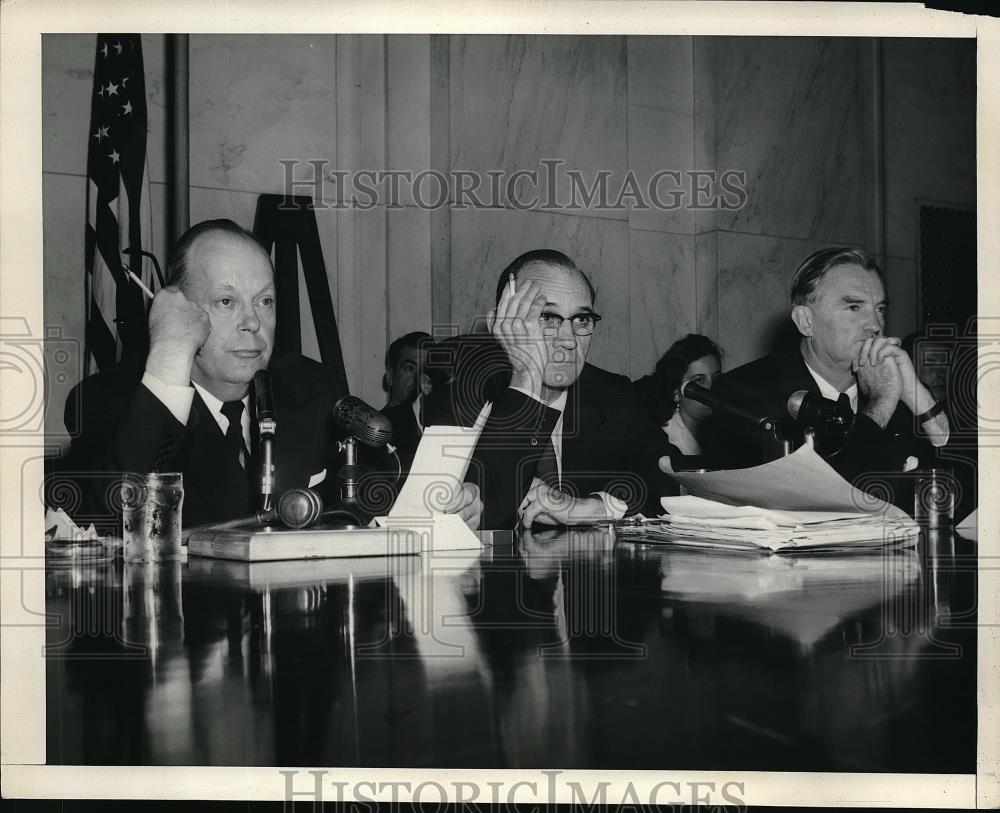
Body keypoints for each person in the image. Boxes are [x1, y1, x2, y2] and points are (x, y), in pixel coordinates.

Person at [59, 219, 481, 529]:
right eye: (226, 302)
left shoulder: (310, 386)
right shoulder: (111, 399)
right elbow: (110, 518)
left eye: (265, 302)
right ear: (179, 310)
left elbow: (375, 488)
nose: (251, 323)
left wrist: (441, 505)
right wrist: (170, 353)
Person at [425, 249, 679, 530]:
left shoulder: (613, 395)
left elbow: (671, 481)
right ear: (503, 323)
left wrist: (593, 507)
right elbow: (480, 516)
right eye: (547, 317)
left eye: (581, 320)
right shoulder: (458, 392)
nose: (569, 340)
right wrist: (526, 376)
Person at [705, 247, 950, 484]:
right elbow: (823, 499)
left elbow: (962, 492)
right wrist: (880, 405)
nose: (875, 324)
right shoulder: (745, 394)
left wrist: (914, 393)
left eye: (880, 309)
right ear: (806, 322)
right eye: (854, 307)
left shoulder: (895, 395)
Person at [633, 334, 722, 458]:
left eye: (716, 378)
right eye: (700, 380)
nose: (711, 388)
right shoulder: (665, 444)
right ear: (676, 392)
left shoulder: (721, 434)